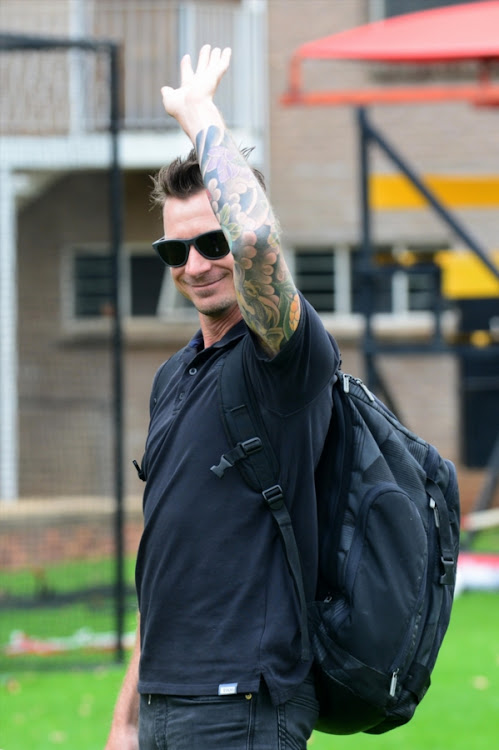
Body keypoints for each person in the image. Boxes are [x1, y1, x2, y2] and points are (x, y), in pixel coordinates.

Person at [105, 45, 339, 750]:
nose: (197, 265)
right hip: (166, 702)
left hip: (243, 704)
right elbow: (171, 549)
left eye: (212, 241)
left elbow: (259, 237)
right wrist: (125, 717)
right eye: (175, 251)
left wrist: (198, 114)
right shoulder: (174, 375)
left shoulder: (282, 357)